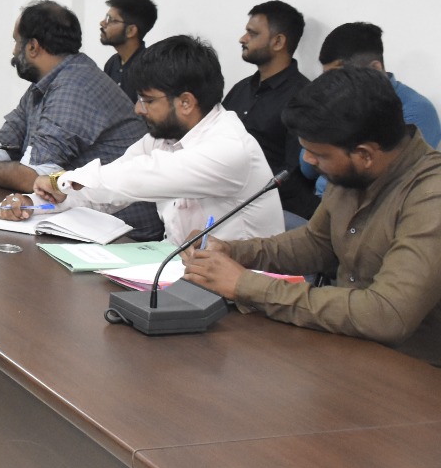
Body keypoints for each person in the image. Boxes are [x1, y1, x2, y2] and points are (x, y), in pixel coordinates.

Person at [184, 67, 441, 365]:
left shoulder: (431, 195)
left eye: (319, 154)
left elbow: (386, 314)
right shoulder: (353, 171)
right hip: (347, 350)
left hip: (415, 373)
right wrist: (232, 251)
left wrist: (246, 285)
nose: (307, 160)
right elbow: (316, 243)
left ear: (365, 155)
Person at [0, 35, 284, 242]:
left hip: (240, 293)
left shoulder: (229, 148)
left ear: (186, 102)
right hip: (182, 273)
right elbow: (107, 192)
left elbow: (138, 176)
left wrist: (60, 180)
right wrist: (33, 205)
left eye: (147, 100)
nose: (138, 109)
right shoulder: (165, 137)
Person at [0, 0, 142, 194]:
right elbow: (1, 146)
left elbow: (34, 178)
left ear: (33, 47)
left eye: (17, 42)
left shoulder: (74, 88)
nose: (14, 51)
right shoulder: (48, 81)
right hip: (80, 207)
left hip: (115, 218)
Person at [222, 0, 315, 219]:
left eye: (252, 33)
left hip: (276, 208)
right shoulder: (241, 88)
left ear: (278, 42)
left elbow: (292, 173)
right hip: (228, 198)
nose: (242, 39)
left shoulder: (304, 97)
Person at [100, 0, 157, 103]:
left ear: (131, 31)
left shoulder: (149, 69)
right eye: (106, 18)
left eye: (111, 20)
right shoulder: (112, 63)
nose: (102, 23)